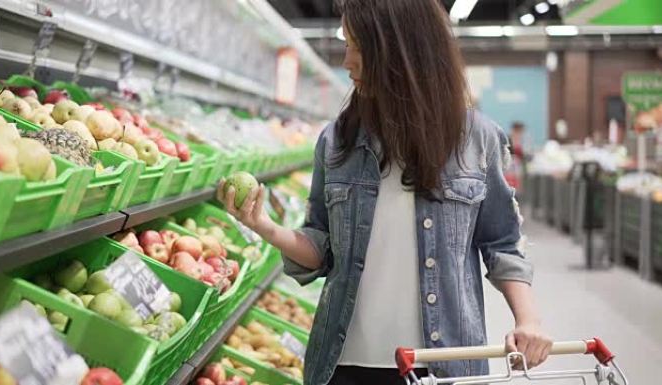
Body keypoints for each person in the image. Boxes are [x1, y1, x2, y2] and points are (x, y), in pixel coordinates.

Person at [217, 1, 552, 384]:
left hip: (443, 365)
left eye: (356, 47)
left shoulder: (476, 139)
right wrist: (265, 226)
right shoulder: (337, 142)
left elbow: (502, 244)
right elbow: (322, 249)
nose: (346, 62)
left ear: (396, 48)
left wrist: (529, 320)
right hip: (344, 367)